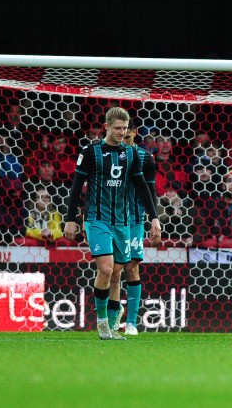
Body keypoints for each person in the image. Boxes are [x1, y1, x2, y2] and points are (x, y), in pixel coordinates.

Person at [63, 107, 161, 341]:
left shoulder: (131, 155)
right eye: (117, 128)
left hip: (123, 222)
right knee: (106, 269)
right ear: (106, 127)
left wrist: (154, 217)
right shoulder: (90, 151)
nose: (121, 132)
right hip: (97, 219)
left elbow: (141, 186)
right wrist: (71, 219)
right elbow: (77, 186)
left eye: (125, 128)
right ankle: (103, 324)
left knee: (117, 273)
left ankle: (114, 322)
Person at [106, 121, 158, 336]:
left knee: (131, 268)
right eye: (120, 135)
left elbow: (150, 189)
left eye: (127, 137)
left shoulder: (145, 158)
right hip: (112, 218)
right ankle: (112, 317)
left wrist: (154, 218)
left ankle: (132, 322)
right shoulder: (109, 155)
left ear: (135, 134)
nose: (123, 141)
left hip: (135, 220)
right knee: (113, 270)